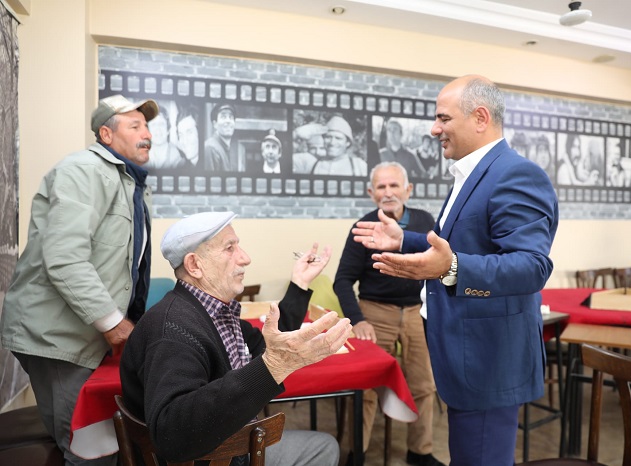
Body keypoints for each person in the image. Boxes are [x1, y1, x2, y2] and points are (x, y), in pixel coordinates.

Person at [352, 75, 558, 465]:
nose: (435, 129)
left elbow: (531, 267)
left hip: (488, 361)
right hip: (466, 356)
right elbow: (459, 246)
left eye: (443, 119)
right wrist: (405, 240)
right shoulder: (473, 173)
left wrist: (453, 268)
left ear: (480, 117)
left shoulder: (515, 174)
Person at [119, 211, 352, 465]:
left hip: (226, 442)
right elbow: (172, 434)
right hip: (215, 456)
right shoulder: (172, 331)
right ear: (195, 265)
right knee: (324, 448)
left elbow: (267, 346)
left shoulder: (211, 311)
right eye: (230, 248)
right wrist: (274, 366)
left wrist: (299, 282)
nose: (246, 258)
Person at [0, 94, 159, 466]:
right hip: (57, 337)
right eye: (134, 125)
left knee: (105, 442)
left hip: (85, 334)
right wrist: (114, 324)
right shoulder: (83, 171)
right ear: (106, 134)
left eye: (147, 125)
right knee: (89, 453)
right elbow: (65, 258)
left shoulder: (130, 182)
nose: (146, 133)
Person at [333, 162, 443, 466]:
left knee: (424, 385)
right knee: (366, 390)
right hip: (374, 314)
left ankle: (420, 452)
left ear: (408, 190)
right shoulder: (363, 227)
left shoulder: (424, 221)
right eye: (381, 187)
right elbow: (342, 280)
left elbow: (439, 265)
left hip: (416, 314)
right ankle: (357, 454)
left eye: (394, 185)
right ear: (371, 193)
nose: (388, 192)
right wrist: (358, 320)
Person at [143, 104, 185, 170]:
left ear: (168, 129)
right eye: (154, 124)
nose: (158, 129)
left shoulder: (177, 157)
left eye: (161, 124)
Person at [204, 102, 241, 172]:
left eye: (231, 117)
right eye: (223, 117)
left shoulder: (225, 148)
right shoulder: (210, 148)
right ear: (215, 124)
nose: (228, 121)